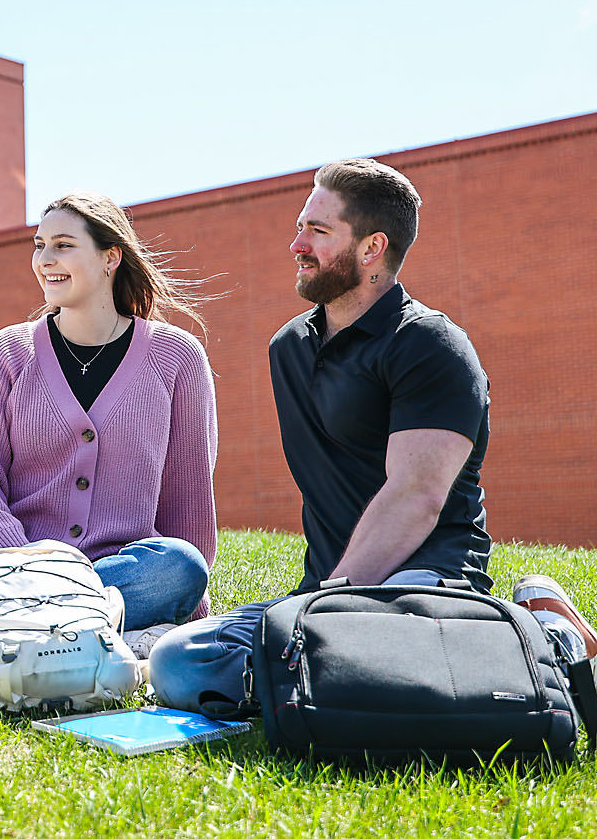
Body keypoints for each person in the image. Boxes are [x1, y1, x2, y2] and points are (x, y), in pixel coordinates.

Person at [150, 157, 597, 715]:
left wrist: (325, 604)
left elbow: (417, 497)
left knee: (397, 687)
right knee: (179, 662)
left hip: (425, 581)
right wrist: (317, 610)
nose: (297, 244)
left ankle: (550, 640)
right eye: (300, 226)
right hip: (330, 592)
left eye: (317, 231)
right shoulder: (288, 348)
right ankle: (327, 670)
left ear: (370, 249)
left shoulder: (431, 345)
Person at [0, 191, 219, 664]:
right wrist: (29, 573)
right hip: (3, 564)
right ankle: (78, 629)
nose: (44, 260)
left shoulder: (175, 358)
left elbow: (189, 497)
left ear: (110, 257)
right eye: (39, 245)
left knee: (179, 565)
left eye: (62, 245)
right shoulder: (4, 356)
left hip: (115, 568)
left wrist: (186, 599)